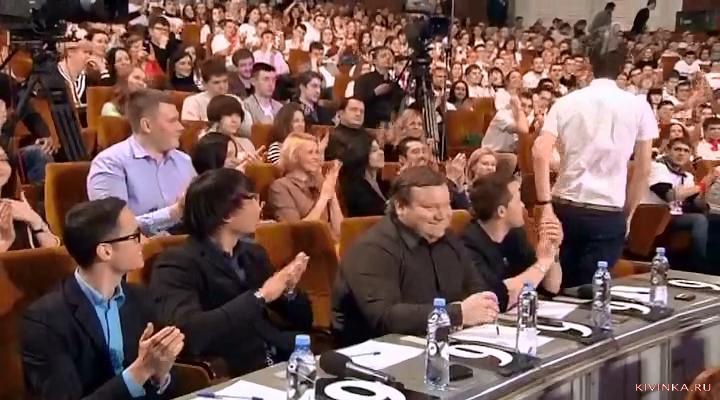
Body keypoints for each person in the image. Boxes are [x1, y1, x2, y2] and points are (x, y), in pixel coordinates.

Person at [150, 168, 313, 375]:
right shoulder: (175, 264)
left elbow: (304, 321)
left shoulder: (253, 254)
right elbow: (188, 333)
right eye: (252, 199)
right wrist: (261, 296)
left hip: (279, 356)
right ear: (227, 213)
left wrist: (289, 290)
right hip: (232, 369)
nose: (260, 207)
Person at [22, 198, 184, 399]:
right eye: (135, 236)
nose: (145, 241)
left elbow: (169, 383)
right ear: (105, 251)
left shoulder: (140, 298)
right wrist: (140, 371)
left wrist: (160, 374)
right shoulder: (45, 320)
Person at [533, 30, 657, 287]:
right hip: (607, 212)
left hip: (564, 206)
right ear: (623, 66)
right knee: (591, 294)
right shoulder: (639, 106)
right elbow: (644, 169)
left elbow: (540, 151)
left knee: (556, 289)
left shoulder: (566, 102)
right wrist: (627, 215)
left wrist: (545, 205)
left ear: (589, 63)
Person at [331, 166, 499, 346]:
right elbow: (384, 317)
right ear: (400, 207)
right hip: (379, 351)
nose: (442, 215)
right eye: (430, 207)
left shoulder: (449, 239)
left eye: (447, 205)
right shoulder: (372, 248)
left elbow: (476, 287)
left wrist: (484, 304)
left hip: (442, 343)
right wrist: (457, 314)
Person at [88, 89, 197, 236]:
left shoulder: (183, 160)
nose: (181, 127)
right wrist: (174, 212)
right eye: (172, 121)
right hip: (139, 247)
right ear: (147, 125)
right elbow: (114, 227)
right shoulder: (109, 163)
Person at [463, 173, 563, 311]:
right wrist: (543, 263)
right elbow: (499, 298)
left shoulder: (515, 235)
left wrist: (552, 249)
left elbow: (551, 288)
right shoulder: (469, 246)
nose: (523, 205)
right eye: (518, 200)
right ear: (501, 211)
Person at [643, 137, 710, 270]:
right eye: (677, 149)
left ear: (690, 155)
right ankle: (698, 267)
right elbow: (670, 196)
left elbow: (697, 204)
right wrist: (702, 184)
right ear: (668, 151)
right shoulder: (658, 167)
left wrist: (709, 187)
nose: (681, 153)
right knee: (699, 220)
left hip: (673, 216)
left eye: (686, 151)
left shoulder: (687, 176)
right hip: (652, 216)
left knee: (709, 218)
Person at [266, 133, 343, 237]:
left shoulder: (320, 183)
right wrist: (323, 198)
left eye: (317, 152)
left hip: (329, 242)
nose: (316, 157)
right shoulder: (280, 187)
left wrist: (332, 193)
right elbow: (298, 232)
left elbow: (339, 231)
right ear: (294, 156)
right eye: (310, 152)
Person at [0, 144, 59, 251]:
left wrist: (34, 220)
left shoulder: (20, 203)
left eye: (3, 159)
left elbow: (54, 253)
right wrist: (6, 241)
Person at [181, 58, 253, 137]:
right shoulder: (192, 102)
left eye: (225, 81)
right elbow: (191, 134)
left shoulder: (235, 100)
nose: (222, 86)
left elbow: (248, 130)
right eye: (216, 82)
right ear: (204, 84)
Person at [353, 46, 403, 128]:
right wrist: (375, 93)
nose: (388, 58)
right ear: (375, 61)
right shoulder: (364, 79)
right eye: (383, 56)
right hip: (369, 125)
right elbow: (357, 101)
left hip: (391, 126)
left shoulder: (394, 83)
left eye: (390, 56)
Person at [340, 139, 389, 217]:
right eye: (374, 151)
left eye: (380, 149)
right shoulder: (356, 188)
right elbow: (376, 212)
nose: (381, 152)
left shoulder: (383, 184)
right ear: (362, 156)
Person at [324, 97, 371, 162]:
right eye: (354, 110)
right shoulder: (333, 137)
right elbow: (340, 162)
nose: (358, 114)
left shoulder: (368, 136)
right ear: (341, 113)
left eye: (362, 111)